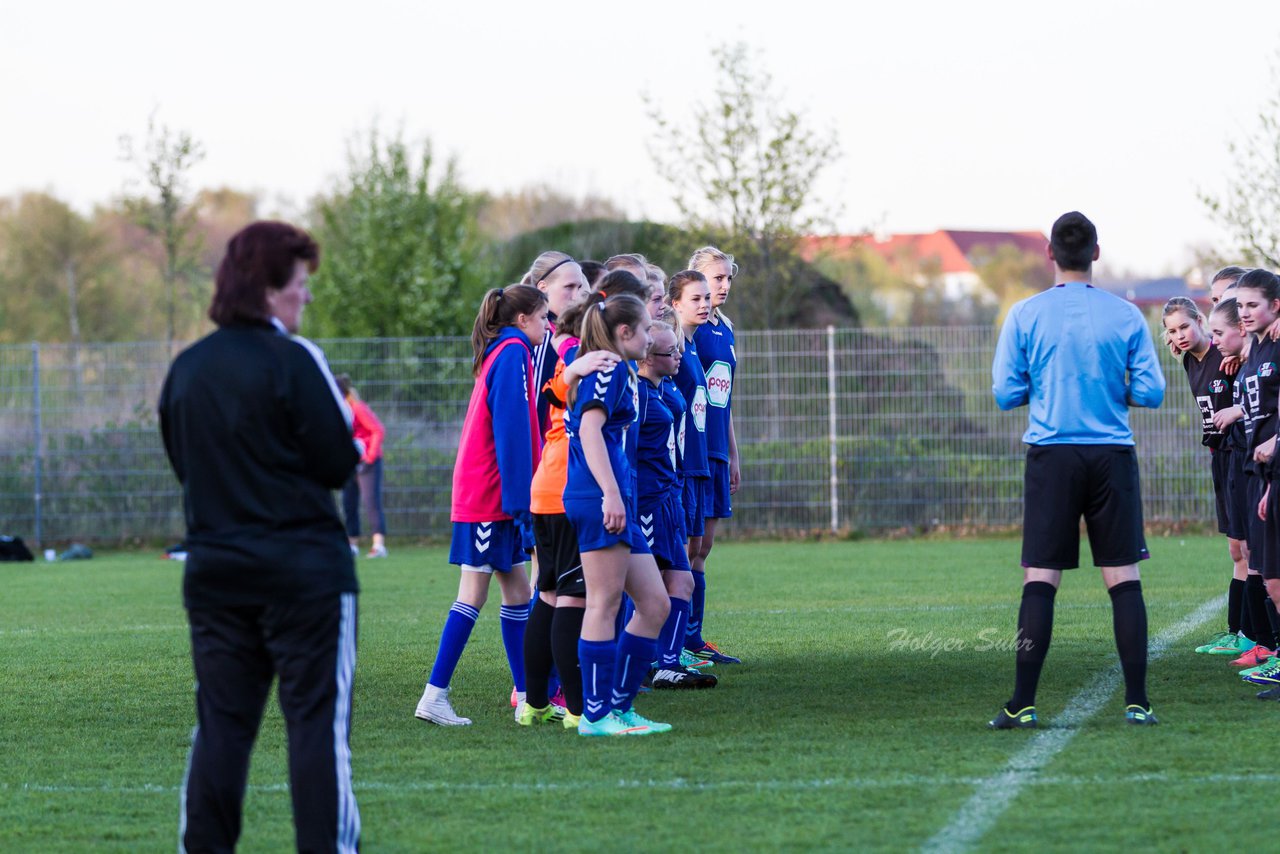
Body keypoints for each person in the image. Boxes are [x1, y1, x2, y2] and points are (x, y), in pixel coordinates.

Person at [159, 220, 361, 852]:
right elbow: (338, 462)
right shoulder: (296, 359)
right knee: (313, 729)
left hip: (217, 573)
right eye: (300, 284)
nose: (305, 297)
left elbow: (183, 464)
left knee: (222, 725)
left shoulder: (187, 368)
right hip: (304, 574)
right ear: (271, 288)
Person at [989, 211, 1165, 728]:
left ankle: (1022, 702)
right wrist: (1115, 388)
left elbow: (1004, 394)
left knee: (1039, 578)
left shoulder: (1025, 314)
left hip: (1052, 455)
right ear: (1096, 253)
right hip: (1111, 454)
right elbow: (1152, 392)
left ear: (1049, 254)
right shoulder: (1127, 316)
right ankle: (1139, 702)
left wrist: (1040, 388)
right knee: (1123, 579)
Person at [414, 284, 548, 726]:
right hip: (490, 497)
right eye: (544, 317)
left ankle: (530, 696)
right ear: (523, 319)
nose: (548, 326)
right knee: (472, 594)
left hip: (495, 495)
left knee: (519, 592)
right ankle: (435, 695)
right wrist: (520, 504)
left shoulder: (506, 351)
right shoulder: (512, 354)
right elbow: (510, 432)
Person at [563, 291, 673, 736]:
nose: (651, 337)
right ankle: (595, 715)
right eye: (646, 329)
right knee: (604, 602)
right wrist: (610, 493)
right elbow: (588, 430)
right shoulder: (606, 369)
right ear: (624, 332)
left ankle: (619, 707)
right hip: (598, 497)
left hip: (617, 497)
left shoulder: (621, 370)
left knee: (654, 603)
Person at [521, 292, 619, 729]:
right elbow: (563, 399)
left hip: (546, 489)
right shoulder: (583, 362)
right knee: (572, 598)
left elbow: (552, 396)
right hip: (565, 490)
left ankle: (535, 702)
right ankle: (579, 709)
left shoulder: (567, 360)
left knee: (547, 596)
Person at [1164, 297, 1248, 656]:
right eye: (1171, 330)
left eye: (1185, 326)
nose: (1180, 336)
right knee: (1236, 549)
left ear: (1200, 320)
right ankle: (1239, 630)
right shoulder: (1187, 360)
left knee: (1247, 548)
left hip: (1241, 454)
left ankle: (1253, 635)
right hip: (1220, 456)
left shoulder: (1227, 351)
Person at [638, 315, 717, 689]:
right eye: (672, 353)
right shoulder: (636, 392)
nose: (679, 358)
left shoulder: (660, 389)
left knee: (681, 581)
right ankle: (633, 667)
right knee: (640, 591)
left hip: (669, 496)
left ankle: (668, 663)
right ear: (649, 356)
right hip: (646, 502)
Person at [1213, 270, 1280, 688]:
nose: (1245, 313)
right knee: (1269, 575)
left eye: (1253, 304)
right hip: (1263, 473)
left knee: (1272, 573)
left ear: (1276, 305)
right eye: (1240, 306)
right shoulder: (1255, 349)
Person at [688, 246, 742, 664]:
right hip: (691, 451)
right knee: (685, 548)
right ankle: (673, 644)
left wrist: (733, 454)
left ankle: (694, 638)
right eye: (713, 279)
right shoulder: (688, 328)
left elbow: (724, 399)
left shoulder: (726, 329)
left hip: (716, 452)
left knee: (704, 548)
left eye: (726, 279)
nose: (721, 287)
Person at [1206, 298, 1266, 659]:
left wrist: (1238, 410)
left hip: (1259, 465)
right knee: (1248, 552)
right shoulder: (1242, 364)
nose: (1213, 341)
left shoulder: (1263, 359)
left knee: (1261, 557)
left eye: (1217, 331)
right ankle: (1258, 641)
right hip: (1244, 463)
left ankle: (1265, 644)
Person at [667, 270, 715, 661]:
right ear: (675, 304)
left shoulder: (693, 348)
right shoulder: (672, 351)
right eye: (695, 298)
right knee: (677, 558)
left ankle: (686, 642)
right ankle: (668, 649)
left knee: (696, 548)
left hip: (698, 463)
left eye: (706, 297)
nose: (705, 304)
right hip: (680, 467)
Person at [336, 374, 389, 558]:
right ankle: (352, 545)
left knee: (371, 502)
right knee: (348, 503)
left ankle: (379, 545)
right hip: (350, 463)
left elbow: (377, 430)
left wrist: (370, 455)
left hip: (368, 463)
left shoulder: (357, 407)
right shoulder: (339, 410)